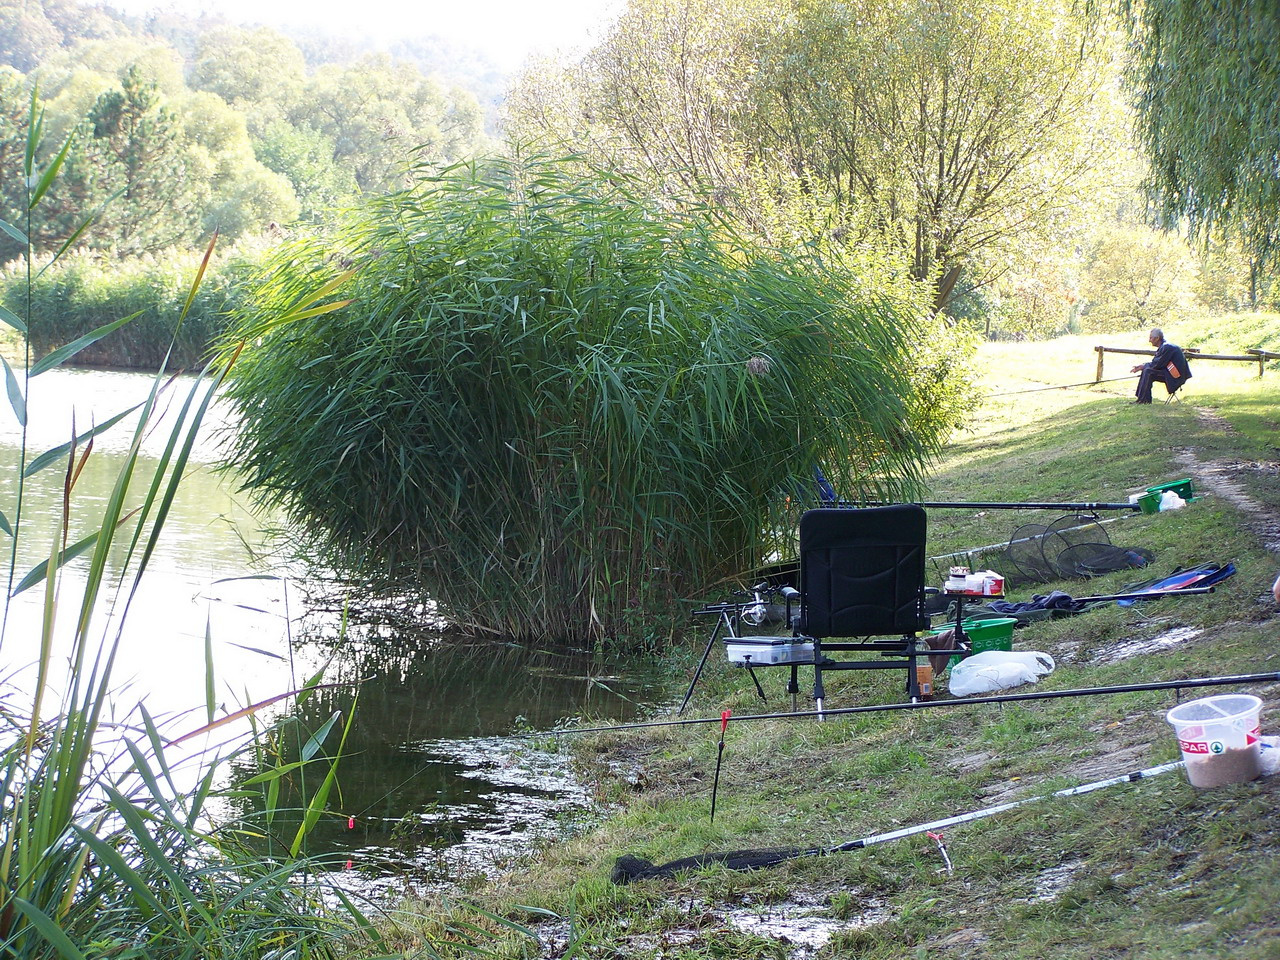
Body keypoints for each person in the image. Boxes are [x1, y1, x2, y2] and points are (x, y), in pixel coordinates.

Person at [1130, 328, 1192, 403]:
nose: (1149, 340)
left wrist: (1143, 366)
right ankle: (1141, 398)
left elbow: (1157, 365)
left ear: (1157, 338)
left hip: (1176, 377)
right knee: (1147, 370)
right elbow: (1156, 363)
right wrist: (1142, 366)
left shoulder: (1166, 347)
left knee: (1148, 372)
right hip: (1170, 374)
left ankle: (1144, 400)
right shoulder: (1164, 346)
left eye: (1151, 338)